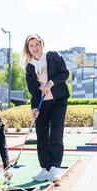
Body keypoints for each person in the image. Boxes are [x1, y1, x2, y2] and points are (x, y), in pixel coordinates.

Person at [23, 34, 70, 182]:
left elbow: (65, 73)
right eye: (31, 46)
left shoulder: (53, 56)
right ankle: (45, 168)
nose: (34, 48)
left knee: (56, 133)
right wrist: (34, 108)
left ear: (42, 44)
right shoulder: (29, 66)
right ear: (28, 49)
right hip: (42, 104)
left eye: (37, 44)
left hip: (58, 101)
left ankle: (55, 167)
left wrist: (50, 83)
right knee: (41, 136)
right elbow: (33, 91)